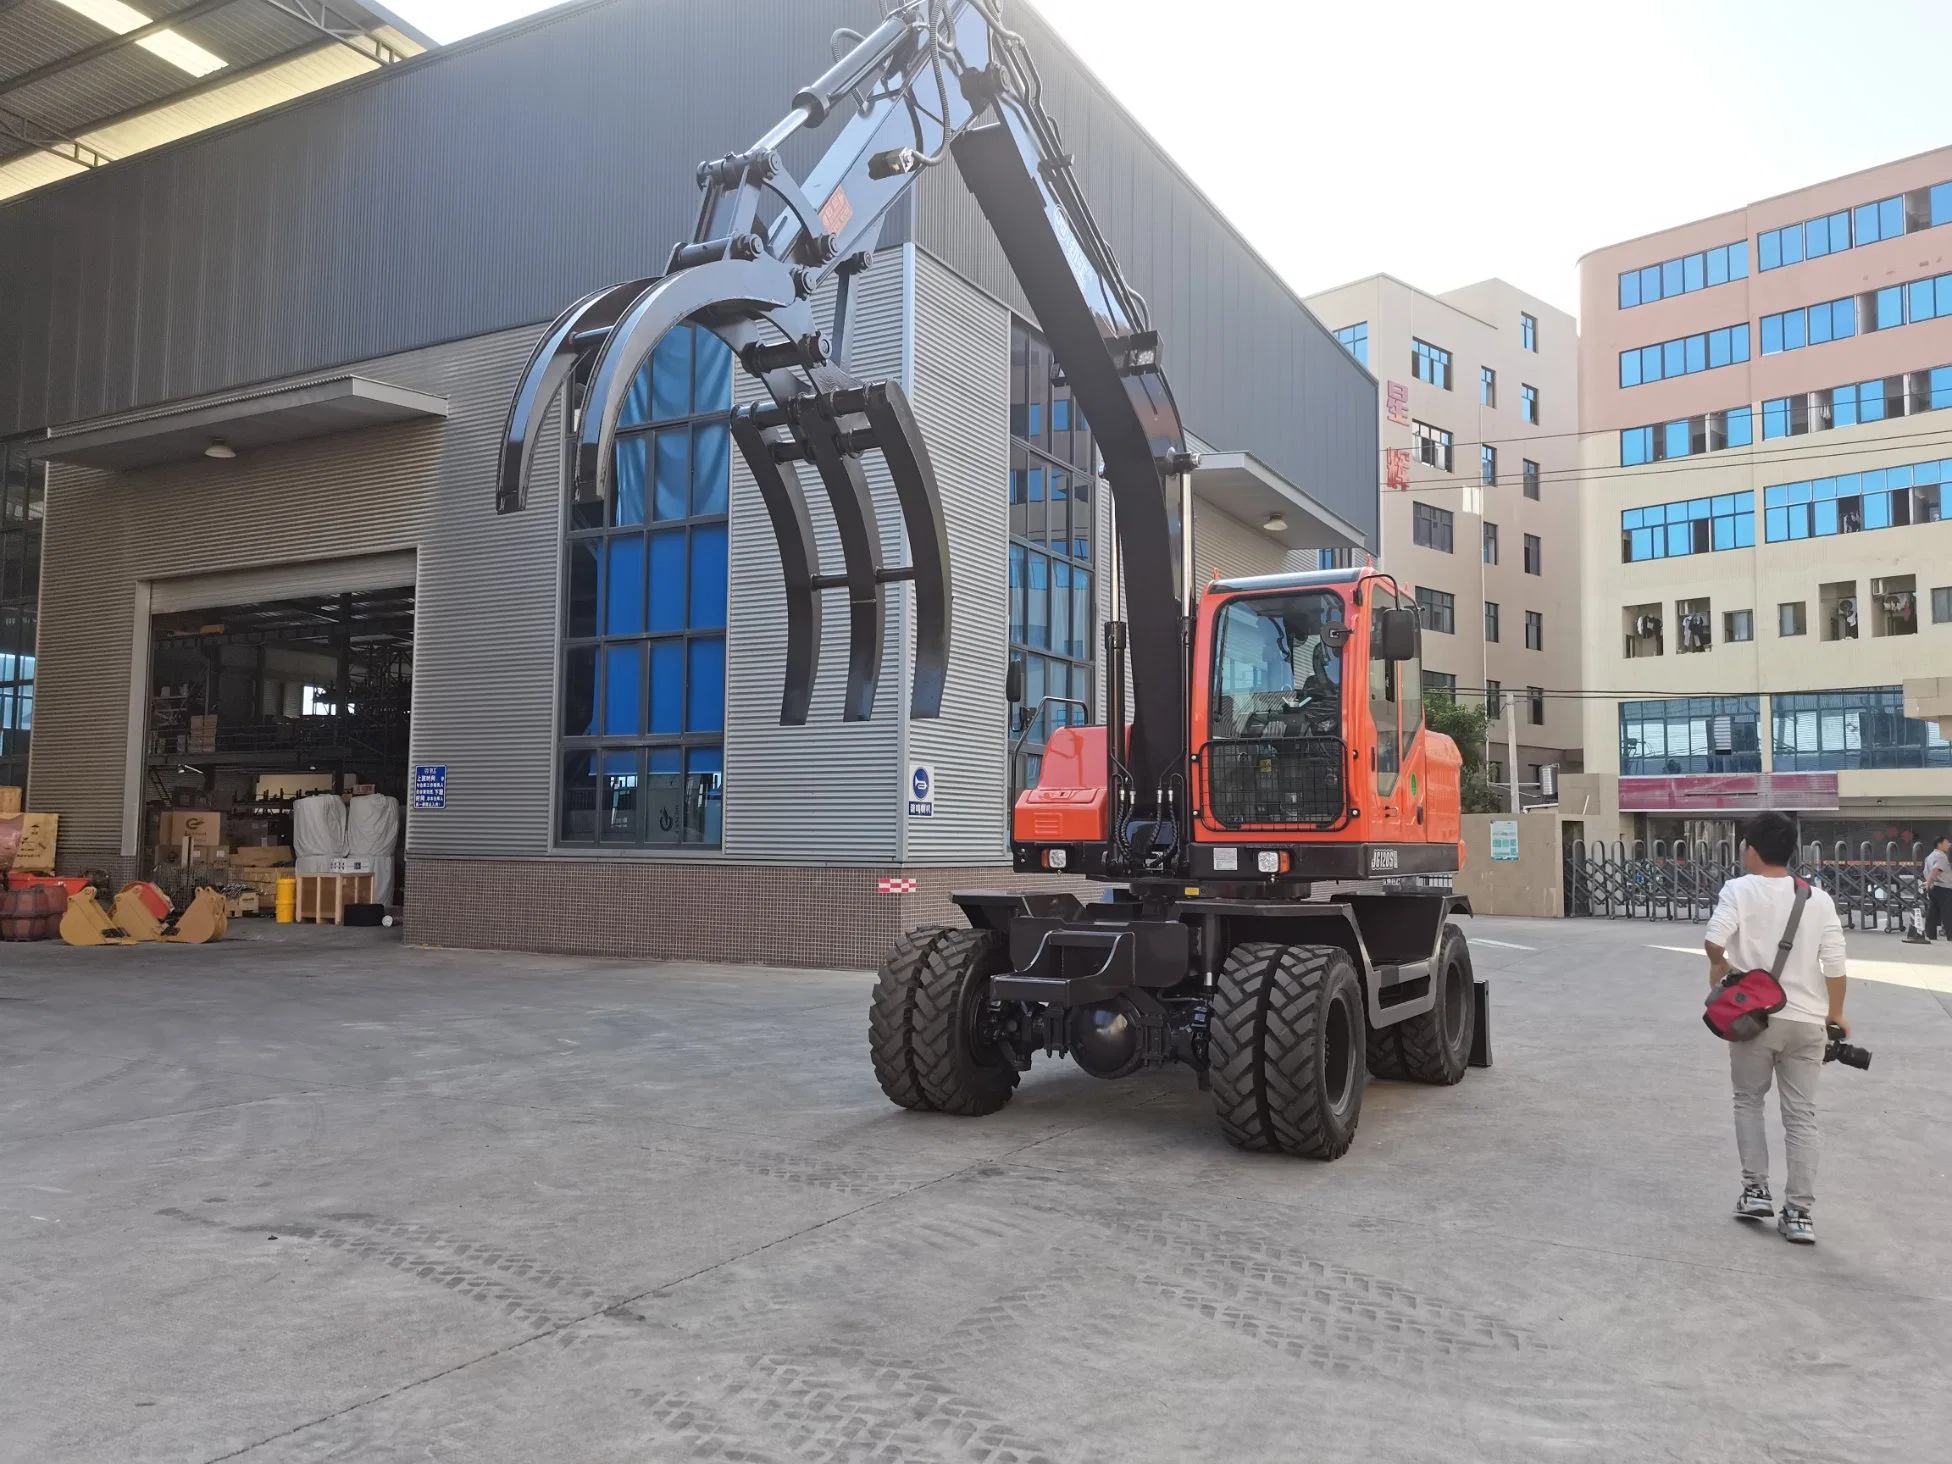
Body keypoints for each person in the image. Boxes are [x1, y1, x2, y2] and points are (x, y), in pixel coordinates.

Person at [1703, 812, 1848, 1245]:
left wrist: (1721, 965)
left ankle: (1755, 1191)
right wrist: (1836, 1015)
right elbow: (1836, 964)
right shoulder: (1816, 898)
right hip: (1807, 1024)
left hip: (1755, 1019)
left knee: (1748, 1101)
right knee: (1801, 1117)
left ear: (1750, 848)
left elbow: (1714, 938)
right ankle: (1799, 1214)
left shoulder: (1738, 889)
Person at [1923, 834, 1952, 942]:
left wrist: (1928, 883)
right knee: (1948, 912)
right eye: (1947, 842)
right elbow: (1936, 870)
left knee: (1933, 912)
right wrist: (1928, 883)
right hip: (1944, 888)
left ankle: (1930, 934)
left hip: (1934, 888)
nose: (1949, 844)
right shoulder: (1942, 856)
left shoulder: (1930, 856)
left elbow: (1927, 872)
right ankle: (1951, 935)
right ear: (1940, 844)